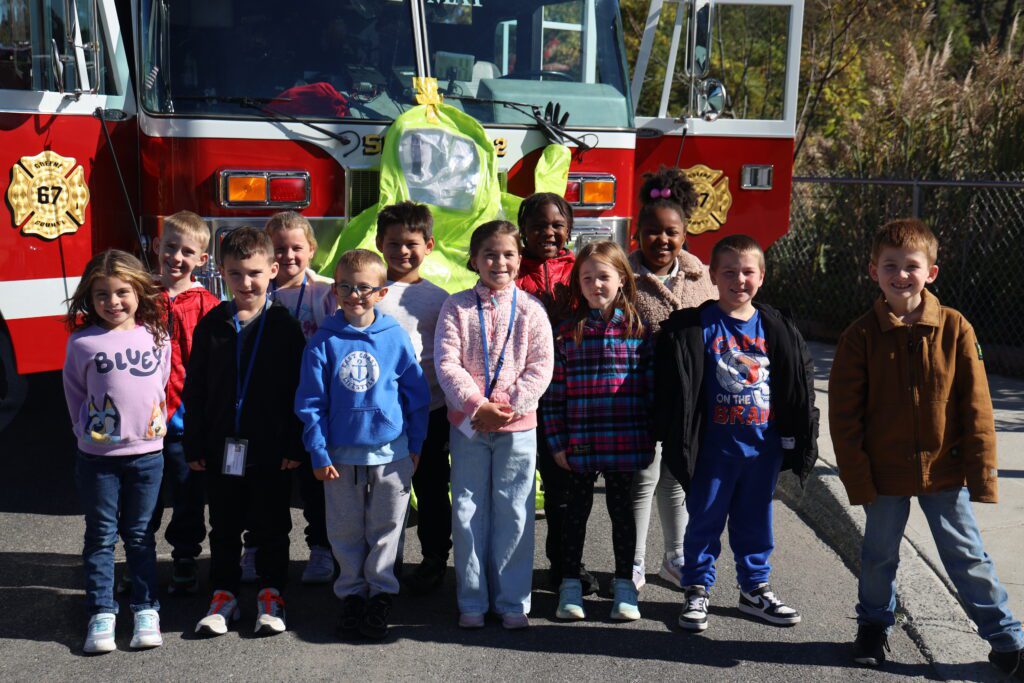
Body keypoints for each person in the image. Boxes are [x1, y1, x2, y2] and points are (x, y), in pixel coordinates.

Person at [828, 218, 1024, 675]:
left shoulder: (955, 328)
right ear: (873, 271)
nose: (901, 275)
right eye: (890, 266)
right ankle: (873, 627)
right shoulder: (859, 337)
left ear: (931, 272)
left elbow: (977, 406)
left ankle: (1006, 640)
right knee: (878, 557)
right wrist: (858, 478)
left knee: (967, 556)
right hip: (884, 474)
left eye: (911, 266)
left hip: (946, 471)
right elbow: (844, 416)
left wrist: (983, 473)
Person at [655, 234, 818, 632]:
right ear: (713, 276)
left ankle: (754, 590)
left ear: (761, 276)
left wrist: (798, 437)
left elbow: (800, 384)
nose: (739, 280)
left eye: (748, 272)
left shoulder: (777, 326)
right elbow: (674, 388)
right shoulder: (694, 327)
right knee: (704, 521)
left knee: (755, 523)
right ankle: (697, 588)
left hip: (762, 449)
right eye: (729, 272)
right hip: (713, 450)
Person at [295, 248, 431, 640]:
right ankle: (352, 594)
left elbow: (415, 396)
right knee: (345, 530)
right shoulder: (323, 342)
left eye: (365, 289)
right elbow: (310, 404)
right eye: (346, 288)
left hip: (393, 455)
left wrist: (416, 445)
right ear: (335, 290)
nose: (355, 295)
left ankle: (382, 595)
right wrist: (318, 452)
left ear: (382, 293)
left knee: (387, 528)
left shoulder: (395, 338)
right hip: (339, 458)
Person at [183, 227, 306, 637]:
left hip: (271, 447)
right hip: (221, 447)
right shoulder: (212, 325)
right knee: (223, 523)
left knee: (272, 524)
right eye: (235, 274)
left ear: (273, 270)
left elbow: (297, 389)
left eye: (254, 272)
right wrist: (195, 441)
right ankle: (224, 594)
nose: (246, 282)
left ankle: (272, 594)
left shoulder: (284, 327)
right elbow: (196, 388)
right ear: (221, 272)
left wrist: (293, 441)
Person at [435, 220, 554, 630]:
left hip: (517, 429)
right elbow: (447, 362)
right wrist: (475, 405)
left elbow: (541, 367)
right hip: (467, 427)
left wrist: (503, 406)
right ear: (473, 260)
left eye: (507, 254)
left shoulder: (532, 310)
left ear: (520, 260)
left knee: (514, 512)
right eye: (489, 254)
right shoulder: (457, 307)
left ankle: (511, 601)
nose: (498, 262)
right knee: (467, 511)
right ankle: (471, 598)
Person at [62, 250, 171, 653]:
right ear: (90, 299)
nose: (113, 302)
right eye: (102, 294)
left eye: (122, 292)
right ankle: (102, 613)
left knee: (140, 535)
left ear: (139, 291)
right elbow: (74, 394)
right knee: (101, 536)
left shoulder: (157, 336)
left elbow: (160, 385)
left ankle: (146, 609)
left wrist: (152, 429)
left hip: (148, 455)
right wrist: (85, 433)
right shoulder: (82, 344)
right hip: (98, 460)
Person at [541, 241, 654, 622]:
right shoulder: (566, 333)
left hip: (625, 441)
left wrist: (648, 438)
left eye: (604, 276)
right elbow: (553, 397)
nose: (596, 285)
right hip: (580, 444)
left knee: (623, 516)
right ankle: (570, 585)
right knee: (575, 516)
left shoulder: (640, 331)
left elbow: (650, 392)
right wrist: (556, 442)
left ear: (622, 279)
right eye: (587, 277)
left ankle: (624, 586)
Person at [628, 167, 717, 590]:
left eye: (671, 233)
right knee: (644, 476)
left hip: (688, 399)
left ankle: (675, 555)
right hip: (638, 394)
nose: (661, 241)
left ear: (684, 235)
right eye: (652, 232)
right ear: (637, 232)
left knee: (678, 478)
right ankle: (634, 559)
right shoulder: (623, 276)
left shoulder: (701, 278)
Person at [241, 211, 336, 586]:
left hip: (316, 406)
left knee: (316, 484)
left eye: (297, 247)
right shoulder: (255, 292)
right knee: (263, 483)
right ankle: (256, 548)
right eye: (279, 249)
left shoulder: (327, 291)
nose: (289, 255)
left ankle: (322, 549)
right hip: (271, 407)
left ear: (312, 249)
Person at [514, 192, 597, 595]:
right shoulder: (510, 269)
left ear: (569, 229)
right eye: (538, 224)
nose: (548, 231)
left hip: (568, 397)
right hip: (520, 395)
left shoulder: (580, 271)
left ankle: (566, 565)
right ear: (522, 229)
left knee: (566, 487)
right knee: (515, 487)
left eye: (557, 224)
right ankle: (508, 569)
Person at [372, 202, 453, 596]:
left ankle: (435, 558)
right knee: (386, 491)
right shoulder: (368, 294)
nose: (402, 251)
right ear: (378, 243)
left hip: (431, 411)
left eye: (411, 243)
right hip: (380, 415)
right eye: (393, 243)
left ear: (430, 244)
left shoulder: (441, 299)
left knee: (433, 488)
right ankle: (388, 561)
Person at [147, 210, 221, 596]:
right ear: (157, 246)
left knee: (189, 496)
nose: (176, 257)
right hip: (143, 424)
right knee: (143, 499)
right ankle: (139, 559)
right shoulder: (140, 298)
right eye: (170, 247)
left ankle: (185, 557)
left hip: (185, 422)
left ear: (202, 260)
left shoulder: (209, 305)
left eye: (187, 251)